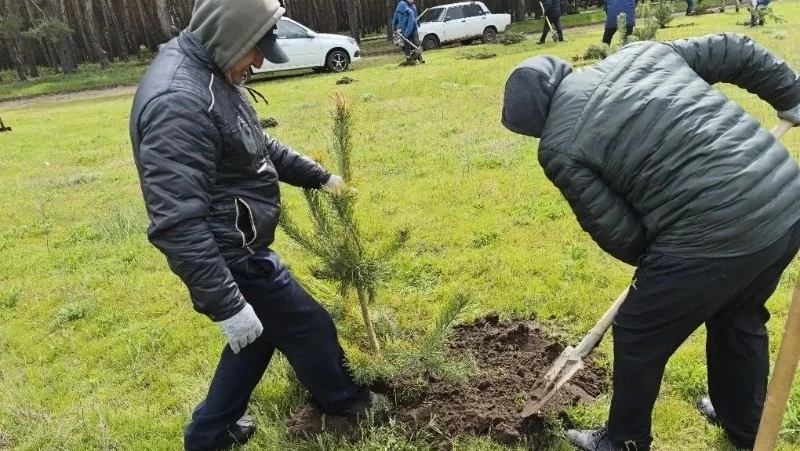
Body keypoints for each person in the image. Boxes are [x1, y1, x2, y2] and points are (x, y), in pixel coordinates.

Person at [501, 33, 800, 451]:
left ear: (535, 124)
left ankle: (623, 441)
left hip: (711, 232)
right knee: (738, 315)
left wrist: (663, 267)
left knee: (639, 331)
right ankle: (746, 425)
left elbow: (616, 230)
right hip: (785, 201)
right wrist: (791, 94)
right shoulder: (643, 53)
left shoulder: (558, 146)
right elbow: (735, 49)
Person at [129, 0, 383, 449]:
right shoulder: (179, 102)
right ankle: (346, 402)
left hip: (236, 240)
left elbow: (255, 143)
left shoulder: (210, 73)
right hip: (231, 253)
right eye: (255, 50)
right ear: (229, 36)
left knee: (257, 337)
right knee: (308, 325)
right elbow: (177, 223)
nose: (259, 62)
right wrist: (228, 305)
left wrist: (320, 177)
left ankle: (209, 434)